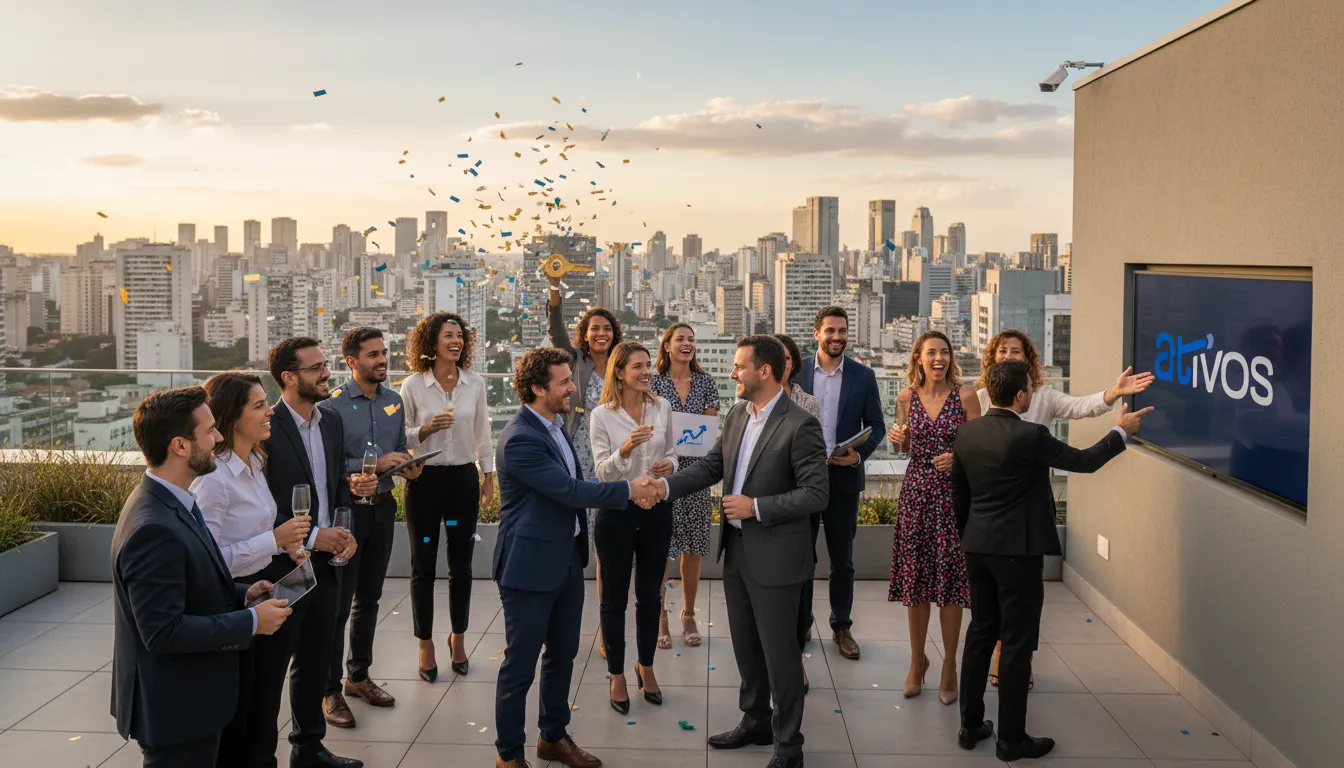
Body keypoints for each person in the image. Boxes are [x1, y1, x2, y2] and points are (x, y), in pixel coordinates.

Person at [951, 361, 1149, 760]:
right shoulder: (1031, 435)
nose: (1031, 394)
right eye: (1029, 388)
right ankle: (1011, 739)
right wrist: (1120, 432)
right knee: (1017, 642)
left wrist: (969, 537)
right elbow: (1086, 461)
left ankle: (970, 727)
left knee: (980, 634)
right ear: (1020, 395)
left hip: (977, 547)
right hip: (1018, 553)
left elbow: (960, 493)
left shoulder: (967, 432)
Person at [648, 335, 828, 768]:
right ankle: (756, 721)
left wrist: (756, 507)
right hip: (738, 552)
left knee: (780, 655)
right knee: (747, 646)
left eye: (739, 367)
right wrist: (664, 487)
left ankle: (789, 747)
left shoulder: (801, 424)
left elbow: (816, 493)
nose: (732, 374)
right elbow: (712, 466)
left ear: (764, 372)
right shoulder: (735, 414)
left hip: (778, 559)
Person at [492, 347, 663, 768]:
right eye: (564, 381)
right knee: (520, 665)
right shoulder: (521, 438)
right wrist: (629, 490)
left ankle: (553, 736)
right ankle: (509, 755)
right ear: (538, 389)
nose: (574, 387)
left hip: (566, 558)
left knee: (562, 654)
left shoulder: (554, 426)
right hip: (529, 565)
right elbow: (569, 491)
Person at [111, 386, 293, 768]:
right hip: (176, 710)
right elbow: (163, 632)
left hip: (192, 701)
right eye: (209, 431)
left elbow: (192, 582)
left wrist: (243, 594)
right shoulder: (153, 528)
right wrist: (251, 621)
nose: (219, 437)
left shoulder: (174, 500)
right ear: (180, 446)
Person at [194, 372, 360, 768]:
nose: (269, 411)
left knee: (266, 692)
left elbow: (259, 525)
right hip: (238, 596)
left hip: (268, 581)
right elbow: (204, 562)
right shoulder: (213, 479)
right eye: (258, 406)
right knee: (250, 701)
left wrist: (289, 544)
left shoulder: (255, 460)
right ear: (232, 417)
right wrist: (275, 540)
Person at [974, 329, 1154, 686]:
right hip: (992, 505)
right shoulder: (978, 399)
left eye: (1016, 351)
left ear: (1028, 360)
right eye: (1003, 351)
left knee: (1025, 595)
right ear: (991, 358)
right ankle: (1001, 655)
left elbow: (1080, 406)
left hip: (1028, 506)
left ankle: (1018, 661)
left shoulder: (1042, 398)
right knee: (996, 595)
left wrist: (1113, 393)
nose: (1009, 356)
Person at [263, 340, 371, 768]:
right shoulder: (267, 427)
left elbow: (337, 483)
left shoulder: (331, 420)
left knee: (315, 658)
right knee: (273, 665)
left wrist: (345, 529)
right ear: (289, 378)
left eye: (326, 365)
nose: (327, 373)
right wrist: (311, 538)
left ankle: (308, 749)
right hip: (280, 566)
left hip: (327, 564)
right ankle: (258, 755)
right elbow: (261, 506)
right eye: (316, 368)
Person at [318, 327, 422, 726]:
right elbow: (327, 464)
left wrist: (408, 465)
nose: (382, 360)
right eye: (373, 355)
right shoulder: (332, 407)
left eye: (384, 352)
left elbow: (398, 451)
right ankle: (328, 689)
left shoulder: (394, 401)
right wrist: (371, 465)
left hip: (382, 508)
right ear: (352, 362)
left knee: (370, 599)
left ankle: (358, 676)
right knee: (338, 605)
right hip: (346, 514)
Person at [887, 330, 982, 705]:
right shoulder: (905, 397)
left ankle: (949, 665)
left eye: (944, 352)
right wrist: (900, 441)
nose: (939, 358)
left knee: (950, 584)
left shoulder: (966, 396)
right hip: (916, 496)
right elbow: (906, 447)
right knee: (916, 583)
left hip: (953, 497)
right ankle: (917, 662)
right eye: (931, 352)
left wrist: (959, 459)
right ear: (919, 358)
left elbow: (982, 447)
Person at [400, 312, 495, 681]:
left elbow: (483, 431)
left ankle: (458, 637)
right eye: (448, 335)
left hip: (462, 482)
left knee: (461, 564)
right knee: (423, 563)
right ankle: (425, 643)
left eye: (460, 336)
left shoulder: (475, 383)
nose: (456, 341)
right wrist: (424, 430)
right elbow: (402, 436)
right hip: (424, 482)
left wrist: (488, 475)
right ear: (432, 342)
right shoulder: (413, 385)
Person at [589, 341, 678, 713]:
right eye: (637, 366)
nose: (646, 372)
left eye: (647, 365)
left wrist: (668, 467)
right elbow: (601, 472)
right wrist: (625, 449)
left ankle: (646, 666)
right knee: (613, 599)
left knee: (650, 596)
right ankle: (616, 675)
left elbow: (672, 453)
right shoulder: (601, 415)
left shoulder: (662, 407)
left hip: (655, 508)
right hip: (617, 512)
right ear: (619, 372)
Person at [797, 306, 885, 661]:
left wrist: (857, 456)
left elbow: (876, 425)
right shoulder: (797, 372)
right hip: (802, 477)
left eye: (842, 331)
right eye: (830, 331)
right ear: (816, 333)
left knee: (842, 560)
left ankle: (841, 626)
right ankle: (801, 623)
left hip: (844, 477)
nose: (837, 337)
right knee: (801, 556)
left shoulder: (864, 376)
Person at [546, 273, 622, 658]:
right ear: (585, 334)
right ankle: (562, 621)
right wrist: (554, 290)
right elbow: (555, 332)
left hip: (612, 458)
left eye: (606, 328)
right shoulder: (574, 360)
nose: (601, 334)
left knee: (606, 549)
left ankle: (607, 630)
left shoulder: (621, 365)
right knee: (575, 540)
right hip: (578, 455)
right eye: (594, 328)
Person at [650, 322, 719, 649]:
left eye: (691, 339)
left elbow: (708, 431)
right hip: (662, 473)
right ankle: (660, 615)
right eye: (680, 339)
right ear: (667, 345)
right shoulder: (653, 382)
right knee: (661, 549)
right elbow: (649, 426)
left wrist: (684, 441)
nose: (687, 343)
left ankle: (689, 613)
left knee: (693, 548)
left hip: (695, 475)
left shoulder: (706, 382)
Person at [775, 334, 820, 422]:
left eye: (786, 358)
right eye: (776, 357)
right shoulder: (751, 400)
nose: (781, 363)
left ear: (793, 364)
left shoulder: (808, 403)